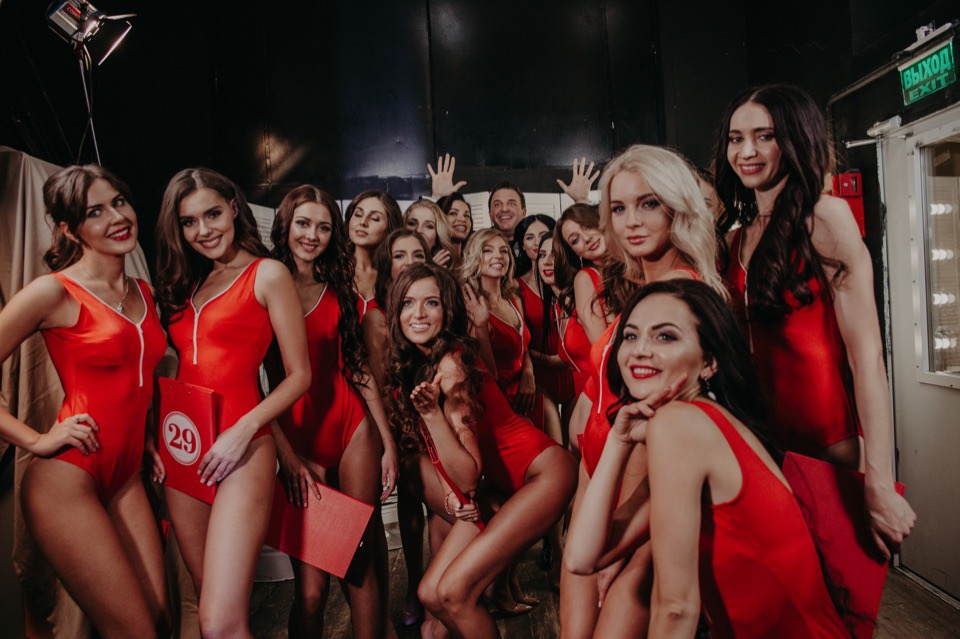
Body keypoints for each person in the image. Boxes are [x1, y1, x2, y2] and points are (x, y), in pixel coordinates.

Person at [565, 279, 850, 638]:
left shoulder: (680, 425)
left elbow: (676, 609)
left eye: (665, 336)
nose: (640, 350)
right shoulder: (696, 422)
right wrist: (618, 441)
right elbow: (582, 557)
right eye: (631, 335)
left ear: (710, 362)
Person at [715, 84, 915, 556]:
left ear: (795, 139)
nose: (746, 151)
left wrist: (880, 480)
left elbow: (867, 357)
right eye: (736, 138)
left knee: (836, 595)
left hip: (826, 447)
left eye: (764, 136)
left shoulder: (824, 217)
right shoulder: (736, 239)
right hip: (761, 445)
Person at [560, 144, 725, 639]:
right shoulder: (647, 292)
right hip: (597, 479)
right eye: (618, 207)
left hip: (636, 501)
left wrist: (624, 538)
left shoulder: (681, 297)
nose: (631, 221)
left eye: (648, 203)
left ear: (677, 206)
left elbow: (661, 425)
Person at [0, 165, 169, 637]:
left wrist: (145, 434)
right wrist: (35, 440)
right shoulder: (52, 291)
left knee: (160, 620)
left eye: (119, 202)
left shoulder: (144, 292)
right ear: (70, 230)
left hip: (126, 474)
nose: (117, 217)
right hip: (67, 480)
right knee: (135, 630)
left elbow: (135, 379)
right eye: (95, 212)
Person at [154, 167, 311, 638]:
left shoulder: (267, 273)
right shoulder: (188, 283)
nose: (203, 230)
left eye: (212, 214)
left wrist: (244, 430)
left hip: (243, 447)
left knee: (220, 621)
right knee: (209, 609)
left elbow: (299, 375)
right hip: (183, 447)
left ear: (234, 208)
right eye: (188, 222)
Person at [385, 263, 577, 639]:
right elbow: (481, 397)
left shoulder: (449, 366)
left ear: (447, 310)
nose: (418, 313)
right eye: (408, 303)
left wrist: (431, 417)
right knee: (430, 592)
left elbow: (469, 473)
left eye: (431, 302)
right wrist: (451, 493)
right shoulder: (426, 361)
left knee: (454, 594)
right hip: (504, 483)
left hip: (542, 472)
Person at [268, 185, 394, 638]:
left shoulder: (337, 289)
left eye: (323, 227)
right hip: (296, 438)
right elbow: (248, 385)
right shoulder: (261, 285)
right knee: (311, 592)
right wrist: (285, 454)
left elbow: (356, 366)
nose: (312, 235)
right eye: (303, 223)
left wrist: (387, 442)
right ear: (285, 225)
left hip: (351, 425)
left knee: (360, 564)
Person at [360, 228, 430, 627]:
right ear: (387, 264)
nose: (409, 261)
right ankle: (415, 587)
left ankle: (438, 591)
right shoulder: (376, 314)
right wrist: (395, 434)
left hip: (437, 411)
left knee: (445, 504)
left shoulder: (435, 300)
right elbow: (377, 380)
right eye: (400, 255)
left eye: (417, 254)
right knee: (410, 501)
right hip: (401, 418)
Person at [514, 214, 573, 410]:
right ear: (522, 245)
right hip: (538, 376)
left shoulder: (572, 282)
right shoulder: (516, 286)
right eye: (530, 237)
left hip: (574, 372)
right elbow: (518, 336)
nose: (537, 242)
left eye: (542, 235)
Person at [344, 190, 404, 321]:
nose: (363, 222)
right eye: (358, 214)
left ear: (390, 228)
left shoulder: (397, 275)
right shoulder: (333, 270)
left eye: (375, 218)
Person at [404, 199, 457, 268]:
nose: (419, 230)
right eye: (412, 223)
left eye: (429, 226)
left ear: (437, 238)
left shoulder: (443, 269)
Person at [488, 181, 526, 247]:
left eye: (512, 204)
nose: (504, 209)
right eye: (497, 204)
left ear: (524, 212)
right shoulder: (478, 244)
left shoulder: (537, 243)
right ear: (490, 214)